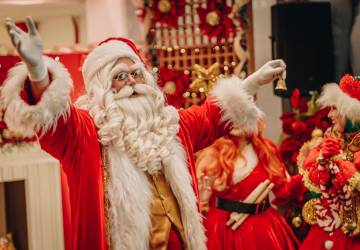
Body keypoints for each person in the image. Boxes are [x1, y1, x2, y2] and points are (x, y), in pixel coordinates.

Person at [0, 17, 287, 250]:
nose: (131, 83)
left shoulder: (172, 126)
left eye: (136, 74)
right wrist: (38, 70)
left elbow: (214, 114)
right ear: (102, 88)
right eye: (120, 77)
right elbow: (55, 118)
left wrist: (253, 82)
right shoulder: (87, 136)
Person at [195, 122, 305, 250]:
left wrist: (307, 170)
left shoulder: (267, 149)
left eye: (242, 114)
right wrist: (202, 197)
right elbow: (198, 202)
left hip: (263, 232)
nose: (236, 120)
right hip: (220, 232)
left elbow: (284, 191)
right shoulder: (212, 152)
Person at [298, 74, 360, 249]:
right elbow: (315, 187)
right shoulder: (327, 140)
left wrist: (343, 166)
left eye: (334, 108)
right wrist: (322, 162)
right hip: (330, 229)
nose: (330, 115)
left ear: (351, 112)